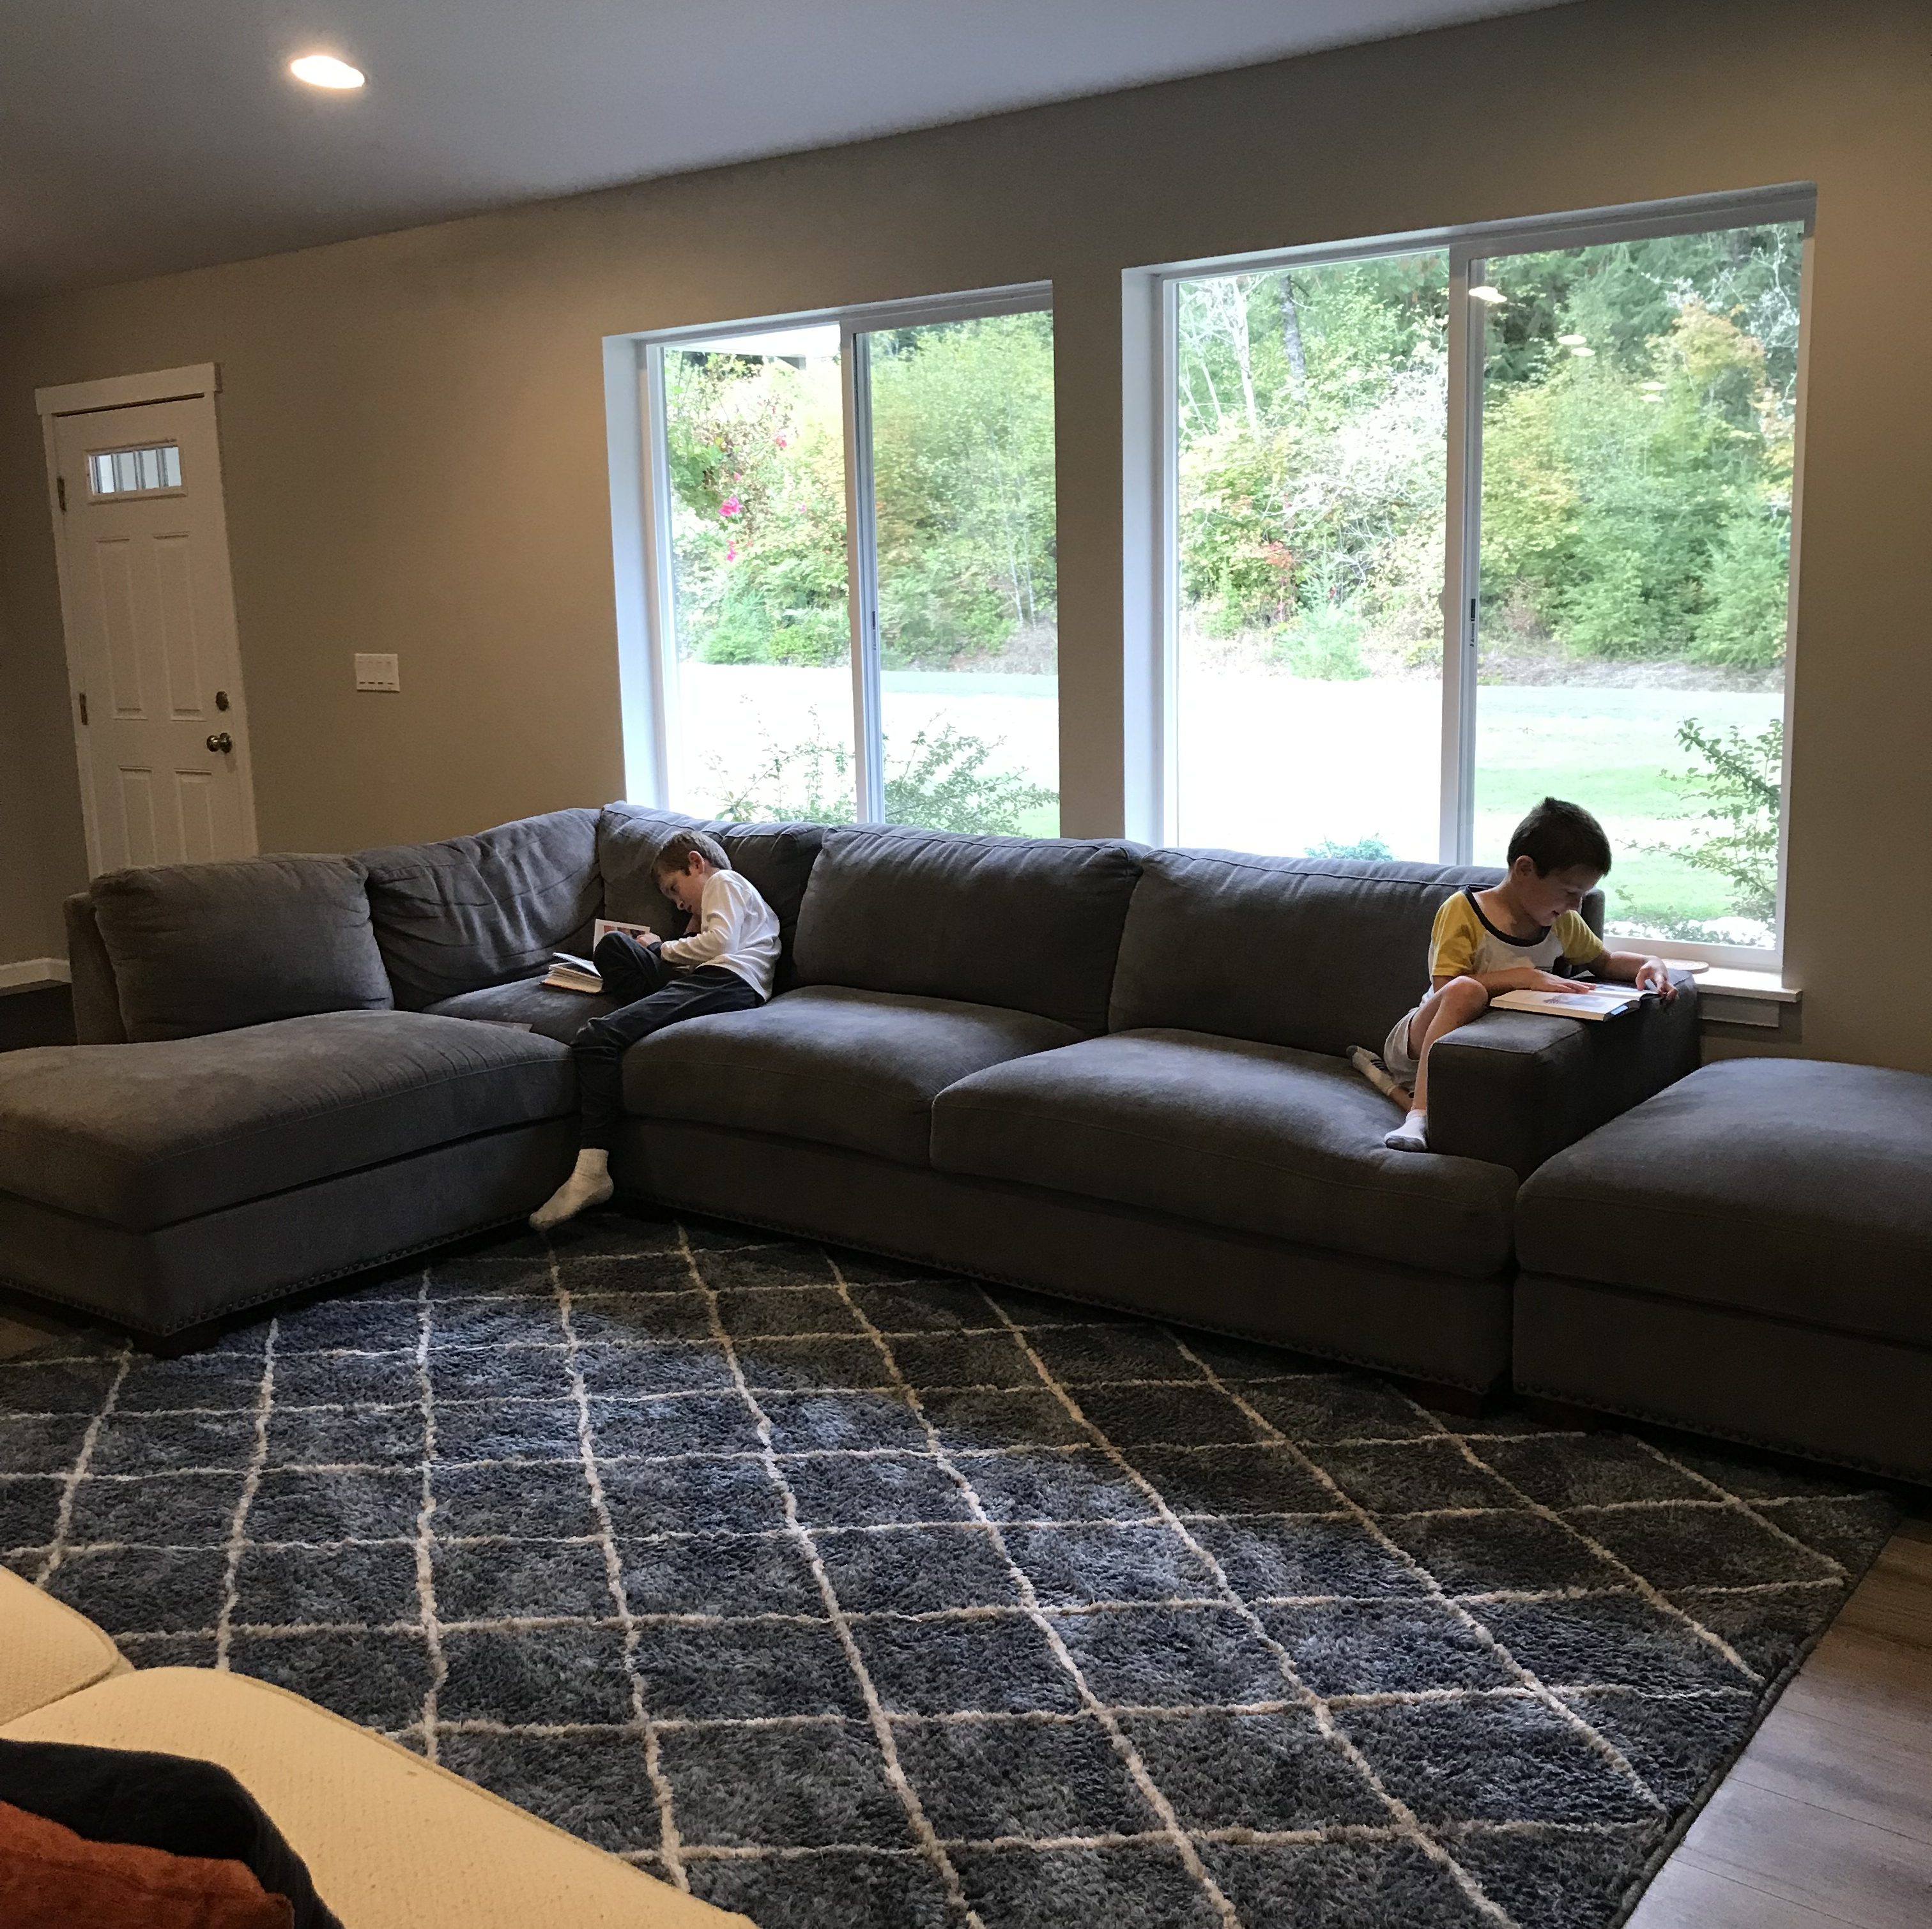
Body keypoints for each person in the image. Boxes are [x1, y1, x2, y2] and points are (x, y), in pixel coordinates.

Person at [1363, 797, 1677, 1154]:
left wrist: (1649, 962)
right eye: (1570, 892)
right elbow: (1446, 989)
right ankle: (1419, 1115)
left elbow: (1604, 962)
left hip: (1481, 1049)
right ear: (1524, 869)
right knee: (1467, 990)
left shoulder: (1562, 921)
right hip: (1418, 1045)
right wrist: (1522, 977)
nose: (1575, 906)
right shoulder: (1464, 911)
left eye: (1583, 895)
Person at [530, 829, 778, 1229]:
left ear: (696, 863)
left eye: (675, 889)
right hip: (708, 978)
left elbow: (721, 944)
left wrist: (660, 949)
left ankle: (592, 1173)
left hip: (728, 981)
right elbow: (712, 943)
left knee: (596, 1039)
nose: (678, 903)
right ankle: (635, 1022)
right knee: (613, 946)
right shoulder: (728, 899)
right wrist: (672, 941)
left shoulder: (724, 881)